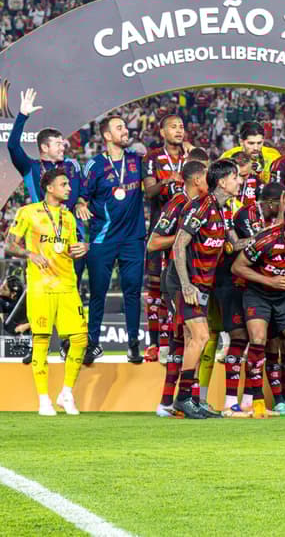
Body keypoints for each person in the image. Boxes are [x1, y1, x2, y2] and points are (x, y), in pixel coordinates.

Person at [5, 169, 89, 416]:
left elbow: (70, 248)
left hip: (67, 285)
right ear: (50, 188)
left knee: (80, 339)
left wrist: (80, 248)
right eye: (64, 184)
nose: (69, 188)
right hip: (41, 286)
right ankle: (43, 399)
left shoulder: (69, 217)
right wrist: (30, 254)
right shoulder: (28, 212)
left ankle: (66, 393)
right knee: (41, 340)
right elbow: (10, 244)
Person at [232, 202, 285, 419]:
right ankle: (258, 401)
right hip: (257, 295)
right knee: (258, 339)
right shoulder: (266, 239)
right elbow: (237, 267)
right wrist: (270, 281)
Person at [171, 160, 241, 419]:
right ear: (222, 182)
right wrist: (186, 284)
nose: (239, 181)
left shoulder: (223, 210)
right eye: (235, 177)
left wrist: (272, 234)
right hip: (184, 280)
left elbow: (237, 244)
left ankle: (191, 398)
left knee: (196, 340)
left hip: (202, 283)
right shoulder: (200, 207)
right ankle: (182, 398)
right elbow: (179, 246)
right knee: (199, 337)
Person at [78, 115, 146, 365]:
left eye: (125, 127)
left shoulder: (138, 161)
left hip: (132, 238)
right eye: (120, 128)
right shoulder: (94, 165)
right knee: (97, 293)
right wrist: (80, 204)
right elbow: (81, 196)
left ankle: (133, 345)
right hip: (103, 238)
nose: (125, 131)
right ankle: (93, 344)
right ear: (107, 136)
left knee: (132, 292)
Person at [147, 160, 208, 417]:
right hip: (175, 279)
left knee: (188, 339)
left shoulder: (202, 205)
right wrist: (185, 235)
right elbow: (153, 243)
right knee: (184, 339)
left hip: (192, 278)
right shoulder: (177, 203)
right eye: (207, 177)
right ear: (196, 180)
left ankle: (185, 400)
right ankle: (167, 402)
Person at [223, 182, 285, 417]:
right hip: (235, 284)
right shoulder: (247, 214)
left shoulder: (274, 218)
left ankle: (251, 400)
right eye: (284, 201)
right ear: (273, 203)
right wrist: (282, 218)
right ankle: (230, 402)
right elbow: (258, 245)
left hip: (259, 287)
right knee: (240, 338)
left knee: (259, 342)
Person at [7, 89, 86, 282]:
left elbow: (82, 189)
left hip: (72, 232)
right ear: (44, 148)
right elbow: (12, 147)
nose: (63, 146)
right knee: (43, 284)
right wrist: (22, 116)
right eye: (58, 144)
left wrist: (81, 201)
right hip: (43, 235)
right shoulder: (31, 167)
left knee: (71, 283)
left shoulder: (72, 165)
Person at [141, 114, 193, 369]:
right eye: (173, 127)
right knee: (155, 288)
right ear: (162, 132)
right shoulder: (152, 158)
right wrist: (168, 180)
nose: (179, 130)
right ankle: (156, 342)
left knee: (183, 285)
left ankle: (179, 340)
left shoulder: (192, 155)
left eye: (181, 126)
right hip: (161, 230)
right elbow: (149, 190)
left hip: (190, 232)